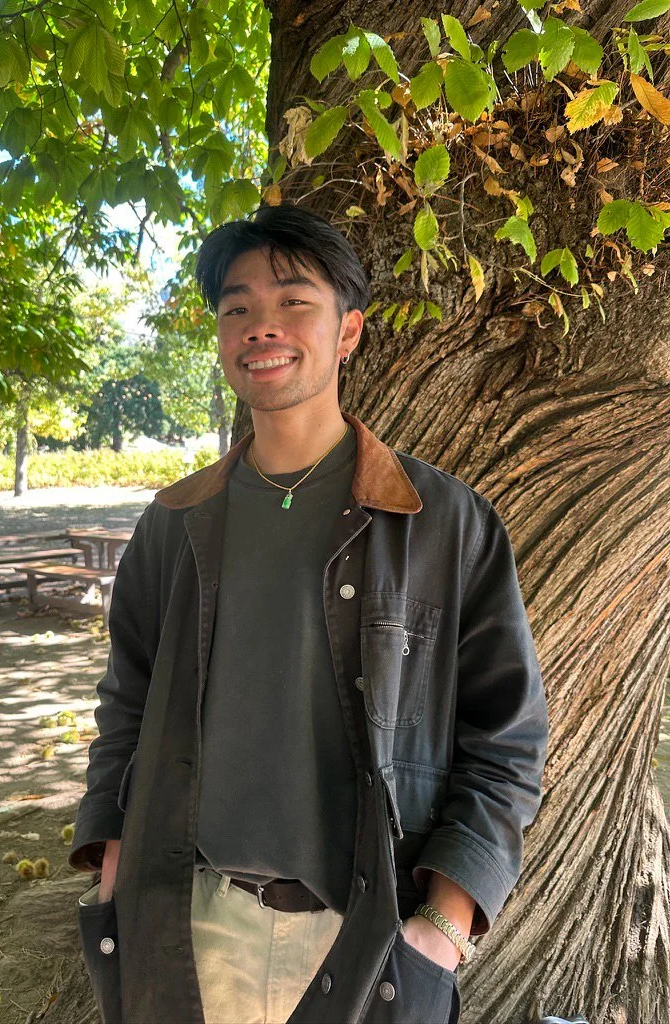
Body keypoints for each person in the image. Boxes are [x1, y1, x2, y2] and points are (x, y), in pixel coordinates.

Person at [69, 203, 549, 1024]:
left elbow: (507, 739)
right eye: (238, 308)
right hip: (190, 926)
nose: (262, 325)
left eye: (294, 301)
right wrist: (115, 864)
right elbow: (127, 707)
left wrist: (442, 926)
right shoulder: (175, 523)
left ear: (348, 331)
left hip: (367, 940)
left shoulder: (442, 522)